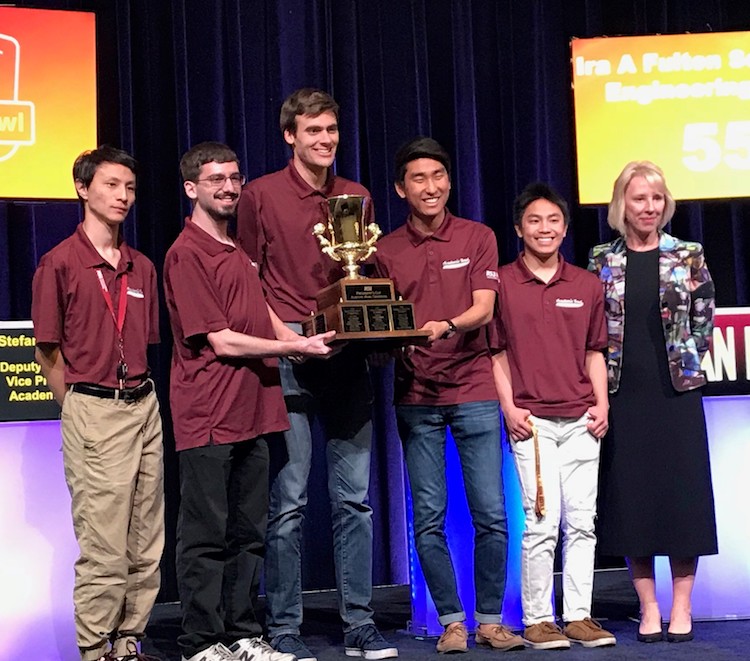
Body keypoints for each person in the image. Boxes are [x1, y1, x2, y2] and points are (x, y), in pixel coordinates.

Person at [237, 89, 397, 661]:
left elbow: (363, 279)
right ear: (290, 135)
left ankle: (359, 624)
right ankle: (283, 626)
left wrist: (373, 334)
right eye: (313, 131)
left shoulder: (357, 196)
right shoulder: (259, 195)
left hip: (348, 360)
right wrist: (286, 336)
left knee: (354, 501)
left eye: (331, 130)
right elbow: (246, 279)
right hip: (288, 356)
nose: (325, 140)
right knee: (289, 503)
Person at [164, 142, 336, 661]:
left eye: (235, 177)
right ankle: (202, 642)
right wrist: (290, 345)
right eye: (216, 179)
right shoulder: (185, 252)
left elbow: (260, 313)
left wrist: (307, 339)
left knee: (248, 534)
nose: (229, 187)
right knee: (206, 536)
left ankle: (240, 633)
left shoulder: (236, 248)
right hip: (208, 414)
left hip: (254, 410)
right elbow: (221, 339)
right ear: (192, 188)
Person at [373, 137, 524, 654]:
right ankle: (452, 622)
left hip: (474, 388)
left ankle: (489, 620)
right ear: (400, 189)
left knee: (492, 514)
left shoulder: (478, 236)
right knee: (428, 518)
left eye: (438, 176)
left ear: (450, 182)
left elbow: (484, 309)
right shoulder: (382, 251)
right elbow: (379, 320)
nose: (430, 186)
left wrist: (445, 326)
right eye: (418, 178)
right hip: (415, 395)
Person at [31, 146, 164, 661]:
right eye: (111, 185)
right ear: (83, 189)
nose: (123, 196)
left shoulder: (141, 266)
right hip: (94, 407)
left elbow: (143, 341)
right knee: (105, 547)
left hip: (144, 402)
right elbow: (48, 352)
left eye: (129, 187)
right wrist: (81, 406)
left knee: (145, 541)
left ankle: (128, 643)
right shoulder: (60, 263)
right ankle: (95, 649)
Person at [588, 161, 717, 644]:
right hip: (624, 395)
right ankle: (648, 608)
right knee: (633, 502)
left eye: (657, 198)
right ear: (623, 203)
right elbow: (591, 329)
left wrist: (687, 362)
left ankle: (681, 608)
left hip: (676, 394)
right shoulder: (601, 258)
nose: (649, 207)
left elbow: (703, 318)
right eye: (640, 198)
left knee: (684, 502)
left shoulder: (689, 254)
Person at [492, 183, 616, 650]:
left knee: (583, 521)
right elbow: (496, 353)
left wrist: (601, 404)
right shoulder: (501, 282)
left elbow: (595, 351)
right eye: (535, 221)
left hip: (582, 418)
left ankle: (580, 615)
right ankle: (539, 619)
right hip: (533, 420)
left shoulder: (586, 284)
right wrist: (510, 409)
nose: (545, 229)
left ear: (565, 229)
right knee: (542, 522)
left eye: (553, 221)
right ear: (520, 228)